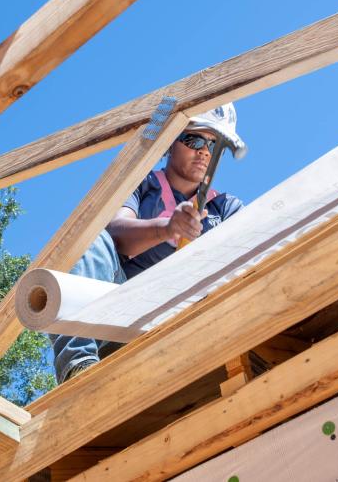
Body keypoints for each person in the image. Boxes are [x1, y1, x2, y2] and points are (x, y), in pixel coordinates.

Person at [50, 103, 246, 383]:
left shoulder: (225, 208)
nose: (204, 151)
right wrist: (168, 228)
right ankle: (78, 367)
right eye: (195, 139)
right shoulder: (142, 184)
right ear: (170, 142)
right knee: (87, 238)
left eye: (214, 146)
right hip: (120, 320)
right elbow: (116, 233)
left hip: (185, 324)